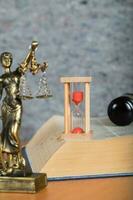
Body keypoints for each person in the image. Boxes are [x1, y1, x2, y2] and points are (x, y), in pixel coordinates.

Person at [0, 42, 47, 176]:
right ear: (2, 62)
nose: (7, 60)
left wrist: (31, 50)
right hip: (6, 108)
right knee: (5, 134)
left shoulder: (16, 74)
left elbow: (25, 64)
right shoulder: (2, 79)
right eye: (5, 59)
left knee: (13, 132)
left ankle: (18, 159)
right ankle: (10, 162)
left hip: (16, 107)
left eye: (9, 58)